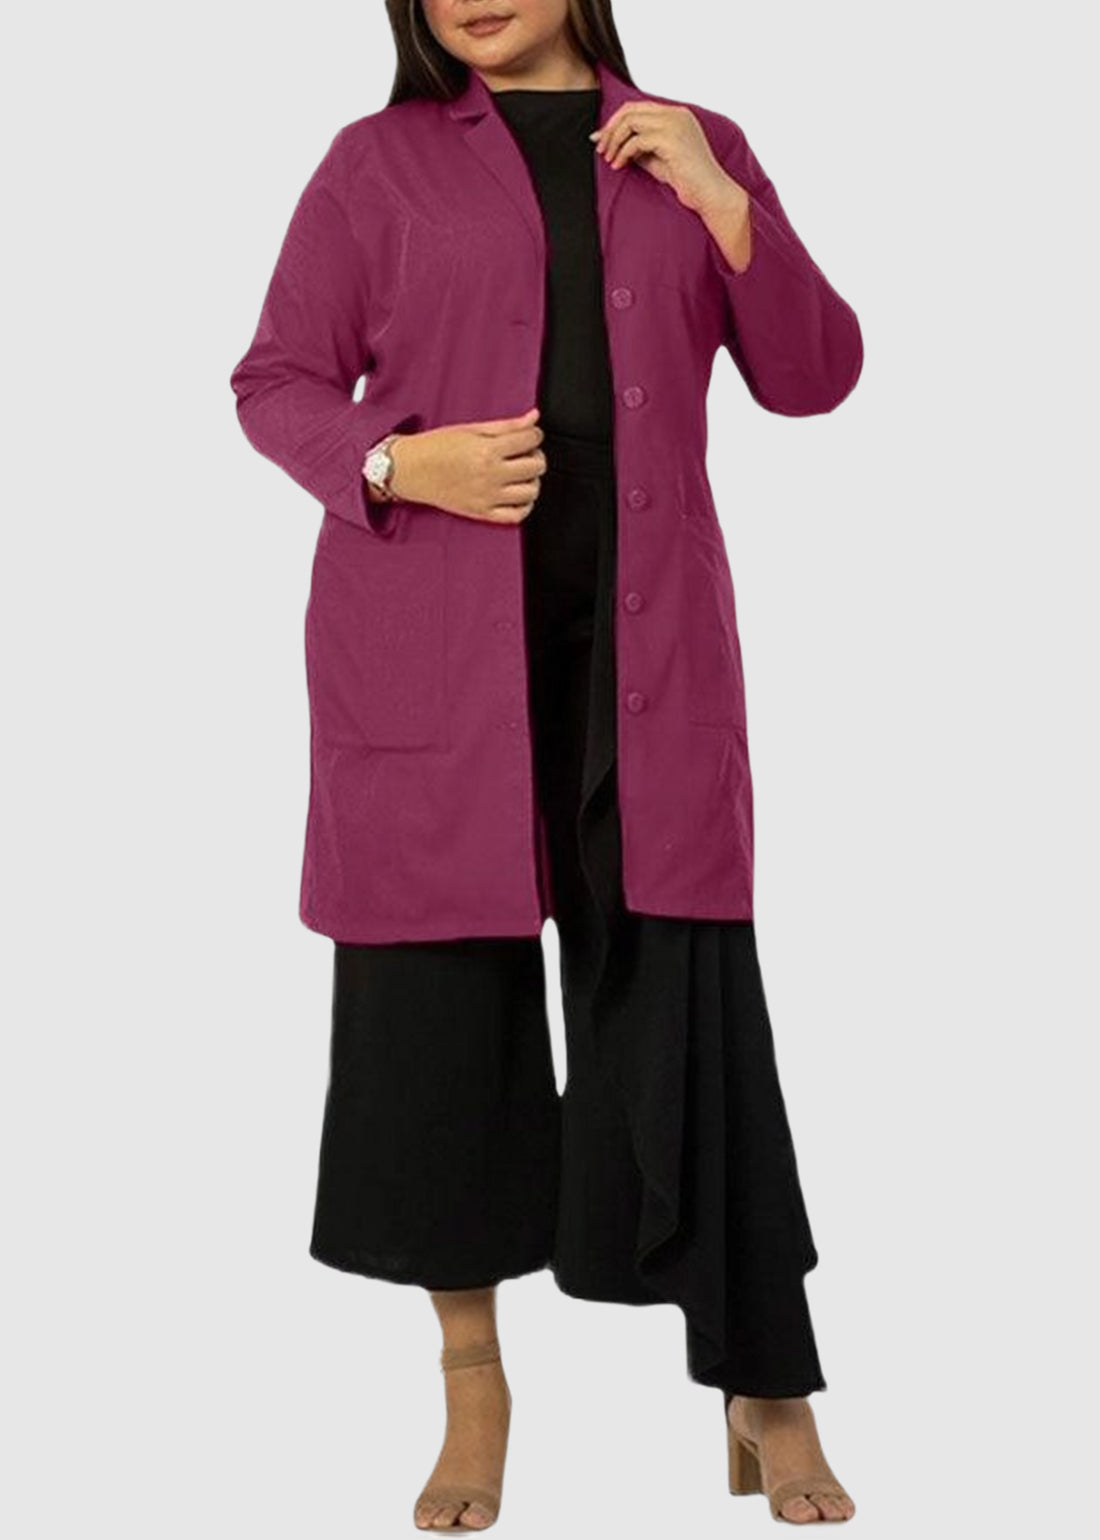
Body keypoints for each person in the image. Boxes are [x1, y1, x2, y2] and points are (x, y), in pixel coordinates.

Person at [229, 0, 862, 1528]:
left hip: (644, 654)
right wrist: (399, 459)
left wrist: (726, 204)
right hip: (432, 649)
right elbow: (276, 380)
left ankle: (764, 1385)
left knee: (687, 1001)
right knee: (440, 1019)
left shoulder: (694, 145)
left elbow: (815, 375)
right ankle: (473, 1380)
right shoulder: (373, 163)